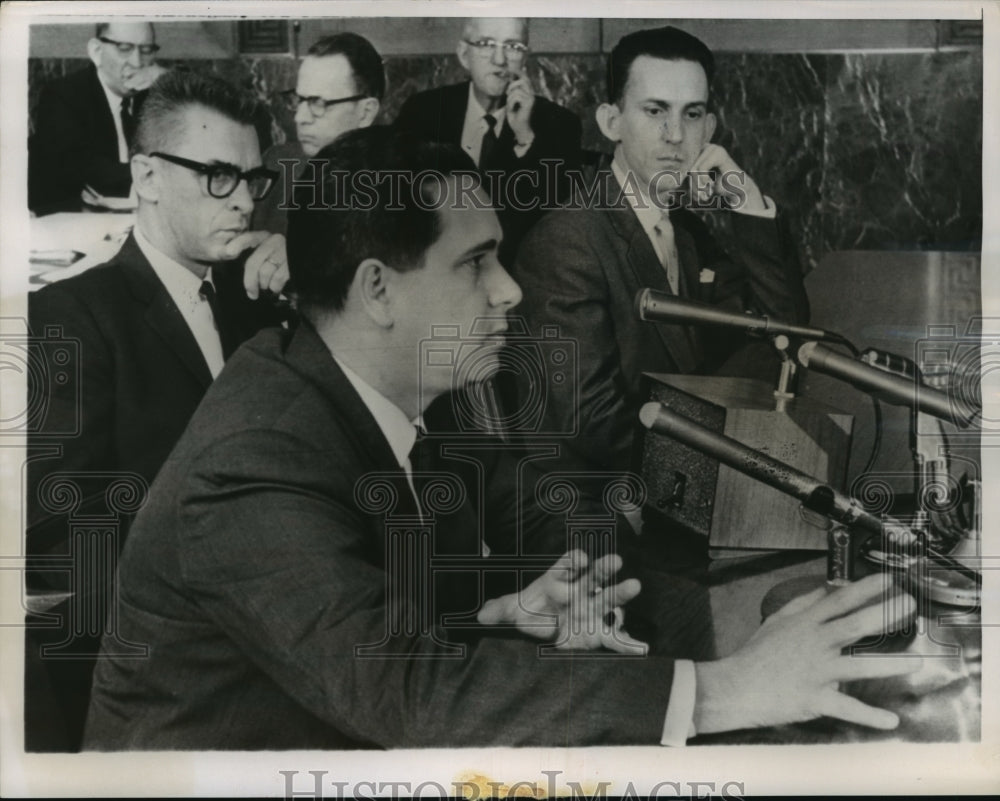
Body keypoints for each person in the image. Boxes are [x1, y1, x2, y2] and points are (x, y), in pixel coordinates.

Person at [83, 126, 919, 750]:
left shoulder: (375, 380)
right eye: (477, 261)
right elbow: (405, 692)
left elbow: (351, 615)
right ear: (378, 289)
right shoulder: (253, 459)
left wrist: (498, 612)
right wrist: (724, 690)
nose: (511, 289)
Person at [26, 70, 290, 750]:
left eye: (254, 179)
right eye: (217, 176)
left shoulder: (256, 299)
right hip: (157, 691)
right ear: (145, 176)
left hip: (276, 651)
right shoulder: (75, 315)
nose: (244, 203)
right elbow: (70, 548)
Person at [512, 25, 811, 472]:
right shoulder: (566, 242)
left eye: (692, 115)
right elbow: (589, 426)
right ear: (611, 122)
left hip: (684, 481)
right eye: (655, 111)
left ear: (709, 128)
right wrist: (727, 462)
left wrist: (748, 204)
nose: (675, 135)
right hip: (611, 513)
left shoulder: (687, 231)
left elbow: (786, 338)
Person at [395, 17, 582, 265]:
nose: (500, 60)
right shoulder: (423, 111)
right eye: (486, 44)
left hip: (515, 272)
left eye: (513, 47)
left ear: (525, 58)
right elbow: (397, 204)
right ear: (464, 54)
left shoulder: (559, 124)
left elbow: (553, 223)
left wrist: (524, 138)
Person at [28, 21, 167, 214]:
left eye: (146, 50)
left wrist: (170, 83)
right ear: (97, 51)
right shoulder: (62, 95)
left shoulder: (157, 95)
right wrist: (164, 173)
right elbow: (79, 169)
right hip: (77, 221)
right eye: (124, 49)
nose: (137, 62)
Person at [253, 32, 384, 236]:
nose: (300, 118)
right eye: (299, 100)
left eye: (318, 103)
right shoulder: (276, 164)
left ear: (365, 112)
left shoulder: (408, 188)